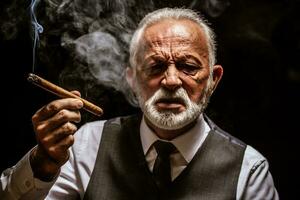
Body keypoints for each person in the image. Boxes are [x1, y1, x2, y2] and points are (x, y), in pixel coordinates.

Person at [0, 7, 279, 200]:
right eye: (155, 67)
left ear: (213, 80)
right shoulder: (86, 145)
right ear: (132, 79)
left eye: (187, 66)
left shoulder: (249, 169)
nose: (171, 81)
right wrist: (43, 163)